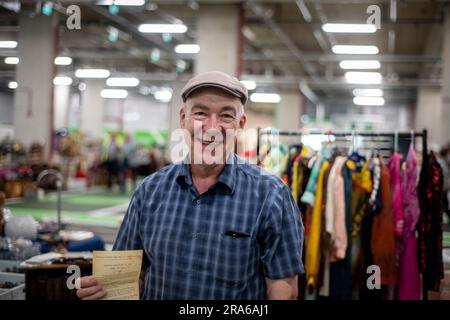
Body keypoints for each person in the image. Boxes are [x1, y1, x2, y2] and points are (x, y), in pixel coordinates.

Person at [77, 71, 305, 300]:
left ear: (240, 124)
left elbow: (283, 287)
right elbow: (129, 279)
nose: (212, 127)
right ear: (183, 118)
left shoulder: (271, 195)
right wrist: (106, 289)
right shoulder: (149, 191)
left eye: (226, 115)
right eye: (200, 113)